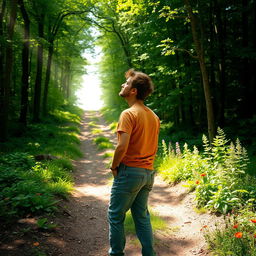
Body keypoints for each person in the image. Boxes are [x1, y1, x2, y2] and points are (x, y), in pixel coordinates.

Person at [108, 69, 160, 256]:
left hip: (130, 172)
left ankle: (116, 254)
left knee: (115, 216)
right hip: (147, 174)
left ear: (133, 91)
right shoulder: (153, 116)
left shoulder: (128, 114)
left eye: (127, 83)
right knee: (141, 217)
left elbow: (122, 146)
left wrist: (114, 166)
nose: (123, 85)